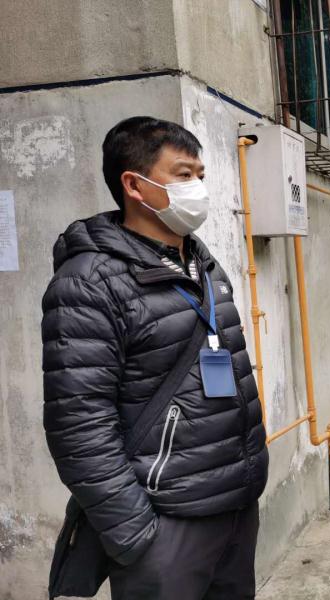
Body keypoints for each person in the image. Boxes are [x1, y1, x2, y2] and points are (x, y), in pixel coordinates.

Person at [41, 116, 268, 600]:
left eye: (200, 175)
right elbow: (78, 424)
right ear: (134, 185)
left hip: (233, 505)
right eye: (183, 175)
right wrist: (135, 534)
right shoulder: (88, 282)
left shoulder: (202, 264)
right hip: (164, 525)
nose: (198, 188)